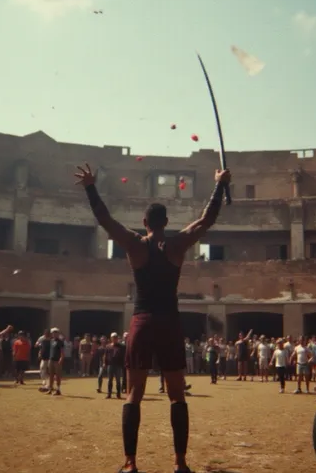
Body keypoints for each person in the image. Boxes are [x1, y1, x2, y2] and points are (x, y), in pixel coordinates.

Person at [75, 162, 231, 473]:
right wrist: (219, 184)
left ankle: (131, 463)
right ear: (167, 222)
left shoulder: (134, 244)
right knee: (176, 395)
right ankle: (180, 463)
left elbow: (105, 219)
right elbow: (206, 220)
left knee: (134, 393)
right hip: (170, 321)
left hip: (143, 320)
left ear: (145, 222)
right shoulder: (176, 244)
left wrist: (91, 187)